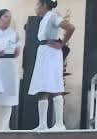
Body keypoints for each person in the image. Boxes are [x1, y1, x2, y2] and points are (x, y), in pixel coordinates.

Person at [27, 0, 74, 131]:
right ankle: (42, 124)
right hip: (44, 52)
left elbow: (70, 27)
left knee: (54, 85)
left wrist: (62, 43)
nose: (36, 7)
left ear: (43, 5)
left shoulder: (53, 16)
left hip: (52, 53)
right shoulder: (44, 19)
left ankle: (59, 123)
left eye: (37, 5)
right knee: (42, 87)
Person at [0, 9, 21, 130]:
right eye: (6, 16)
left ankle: (5, 126)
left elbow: (17, 51)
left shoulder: (14, 34)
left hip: (9, 65)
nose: (8, 19)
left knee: (9, 98)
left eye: (10, 17)